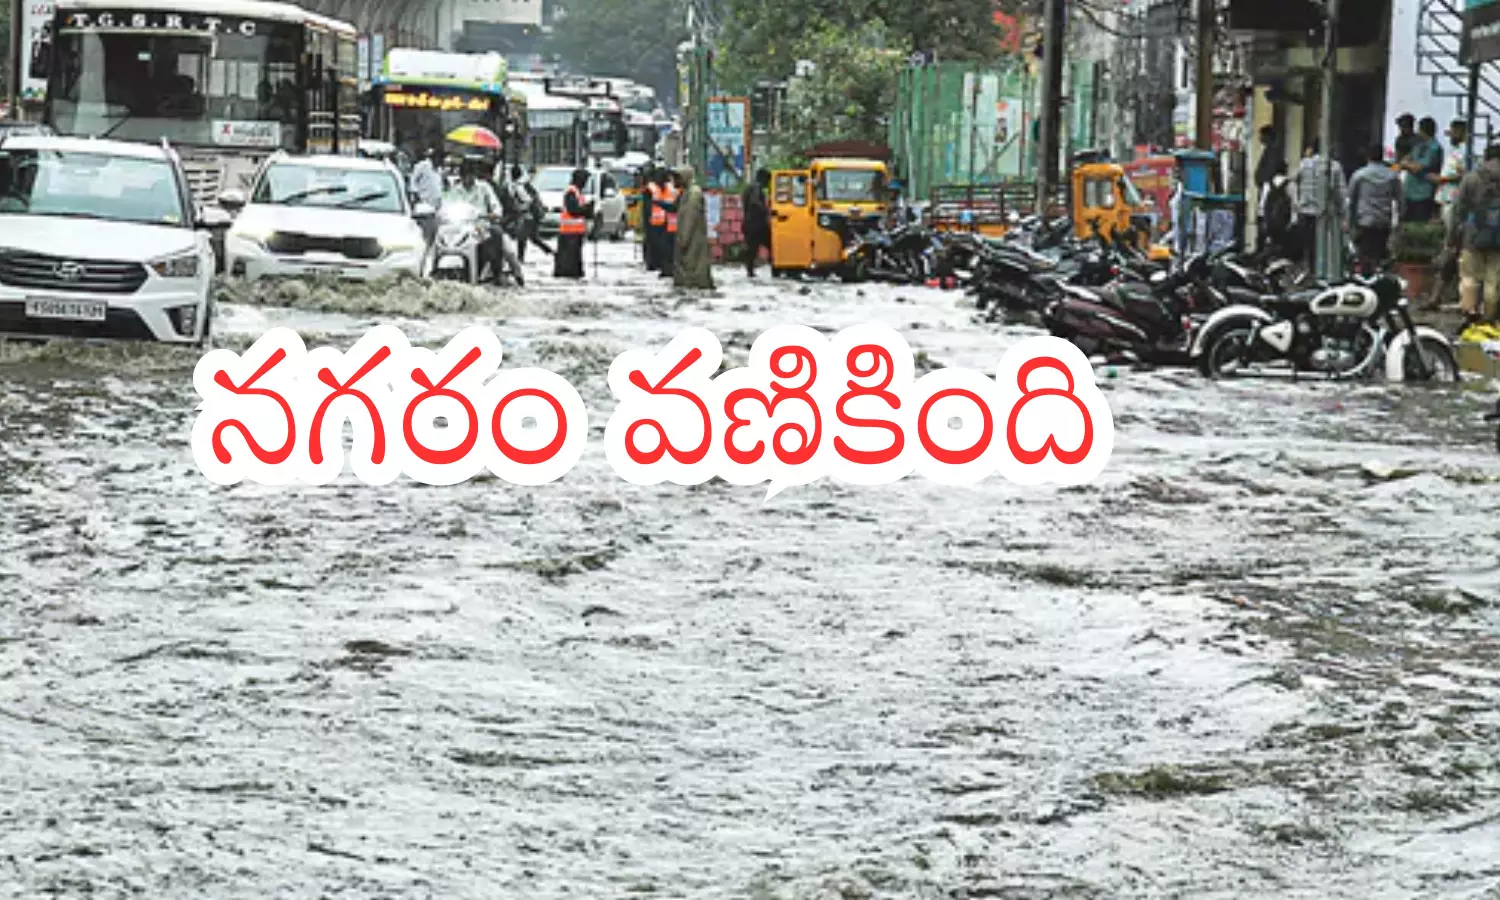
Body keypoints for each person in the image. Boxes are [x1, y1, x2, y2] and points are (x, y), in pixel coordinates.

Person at [448, 157, 519, 286]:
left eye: (471, 176)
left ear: (475, 175)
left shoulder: (484, 188)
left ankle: (497, 273)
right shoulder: (455, 191)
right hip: (459, 228)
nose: (468, 179)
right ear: (461, 176)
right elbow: (446, 207)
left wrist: (493, 214)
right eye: (465, 176)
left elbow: (496, 206)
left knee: (497, 235)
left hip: (481, 227)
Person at [1449, 143, 1500, 323]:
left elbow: (1458, 208)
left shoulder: (1472, 178)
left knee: (1470, 276)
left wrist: (1453, 235)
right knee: (1493, 278)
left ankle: (1470, 314)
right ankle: (1489, 316)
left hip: (1473, 233)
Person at [1347, 143, 1401, 274]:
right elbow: (1400, 199)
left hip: (1364, 220)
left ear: (1367, 157)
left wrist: (1349, 221)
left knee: (1364, 254)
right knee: (1381, 252)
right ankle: (1380, 277)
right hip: (1384, 220)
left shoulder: (1359, 175)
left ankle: (1367, 278)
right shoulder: (1392, 176)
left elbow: (1351, 200)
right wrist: (1400, 219)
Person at [1294, 139, 1346, 266]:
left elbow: (1295, 182)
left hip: (1306, 210)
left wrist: (1298, 202)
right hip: (1326, 211)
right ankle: (1323, 267)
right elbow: (1341, 191)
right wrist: (1343, 212)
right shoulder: (1335, 166)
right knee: (1326, 242)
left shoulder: (1304, 164)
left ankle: (1311, 268)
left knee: (1309, 243)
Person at [672, 166, 714, 290]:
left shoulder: (693, 193)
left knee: (693, 272)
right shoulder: (686, 192)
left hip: (692, 241)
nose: (674, 181)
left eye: (676, 178)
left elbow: (689, 217)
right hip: (690, 240)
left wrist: (683, 239)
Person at [505, 164, 552, 263]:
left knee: (522, 237)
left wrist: (520, 208)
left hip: (527, 215)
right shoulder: (524, 184)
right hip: (530, 215)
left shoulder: (519, 186)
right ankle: (551, 252)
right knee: (533, 237)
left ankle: (520, 259)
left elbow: (528, 200)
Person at [554, 167, 595, 279]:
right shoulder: (571, 192)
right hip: (569, 234)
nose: (586, 183)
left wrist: (588, 211)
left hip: (575, 234)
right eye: (585, 180)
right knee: (568, 266)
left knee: (574, 265)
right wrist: (587, 209)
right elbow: (573, 210)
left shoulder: (577, 193)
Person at [1401, 116, 1443, 222]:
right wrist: (1406, 164)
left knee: (1418, 224)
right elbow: (1404, 160)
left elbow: (1418, 167)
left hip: (1423, 193)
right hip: (1410, 191)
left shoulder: (1434, 147)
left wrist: (1407, 165)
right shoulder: (1418, 145)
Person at [1259, 159, 1295, 259]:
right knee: (1283, 248)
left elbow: (1263, 204)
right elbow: (1294, 204)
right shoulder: (1290, 184)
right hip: (1284, 222)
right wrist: (1292, 221)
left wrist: (1263, 220)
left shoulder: (1268, 184)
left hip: (1270, 221)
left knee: (1270, 246)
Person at [409, 147, 444, 246]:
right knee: (423, 236)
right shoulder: (422, 166)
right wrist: (416, 197)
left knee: (434, 235)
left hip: (436, 208)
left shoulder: (439, 170)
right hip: (423, 207)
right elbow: (413, 182)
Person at [741, 167, 771, 277]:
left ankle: (750, 271)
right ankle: (776, 267)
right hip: (757, 225)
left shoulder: (749, 187)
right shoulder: (756, 187)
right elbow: (755, 202)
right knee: (771, 244)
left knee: (752, 248)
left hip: (749, 223)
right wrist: (766, 210)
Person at [654, 169, 681, 276]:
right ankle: (668, 270)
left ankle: (670, 270)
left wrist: (660, 204)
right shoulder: (674, 189)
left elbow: (673, 207)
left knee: (670, 251)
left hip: (676, 227)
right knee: (666, 250)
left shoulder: (679, 191)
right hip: (668, 225)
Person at [640, 167, 667, 272]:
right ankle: (652, 264)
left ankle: (656, 264)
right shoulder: (650, 189)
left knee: (658, 246)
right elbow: (647, 207)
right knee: (652, 245)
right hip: (653, 223)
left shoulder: (666, 188)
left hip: (664, 223)